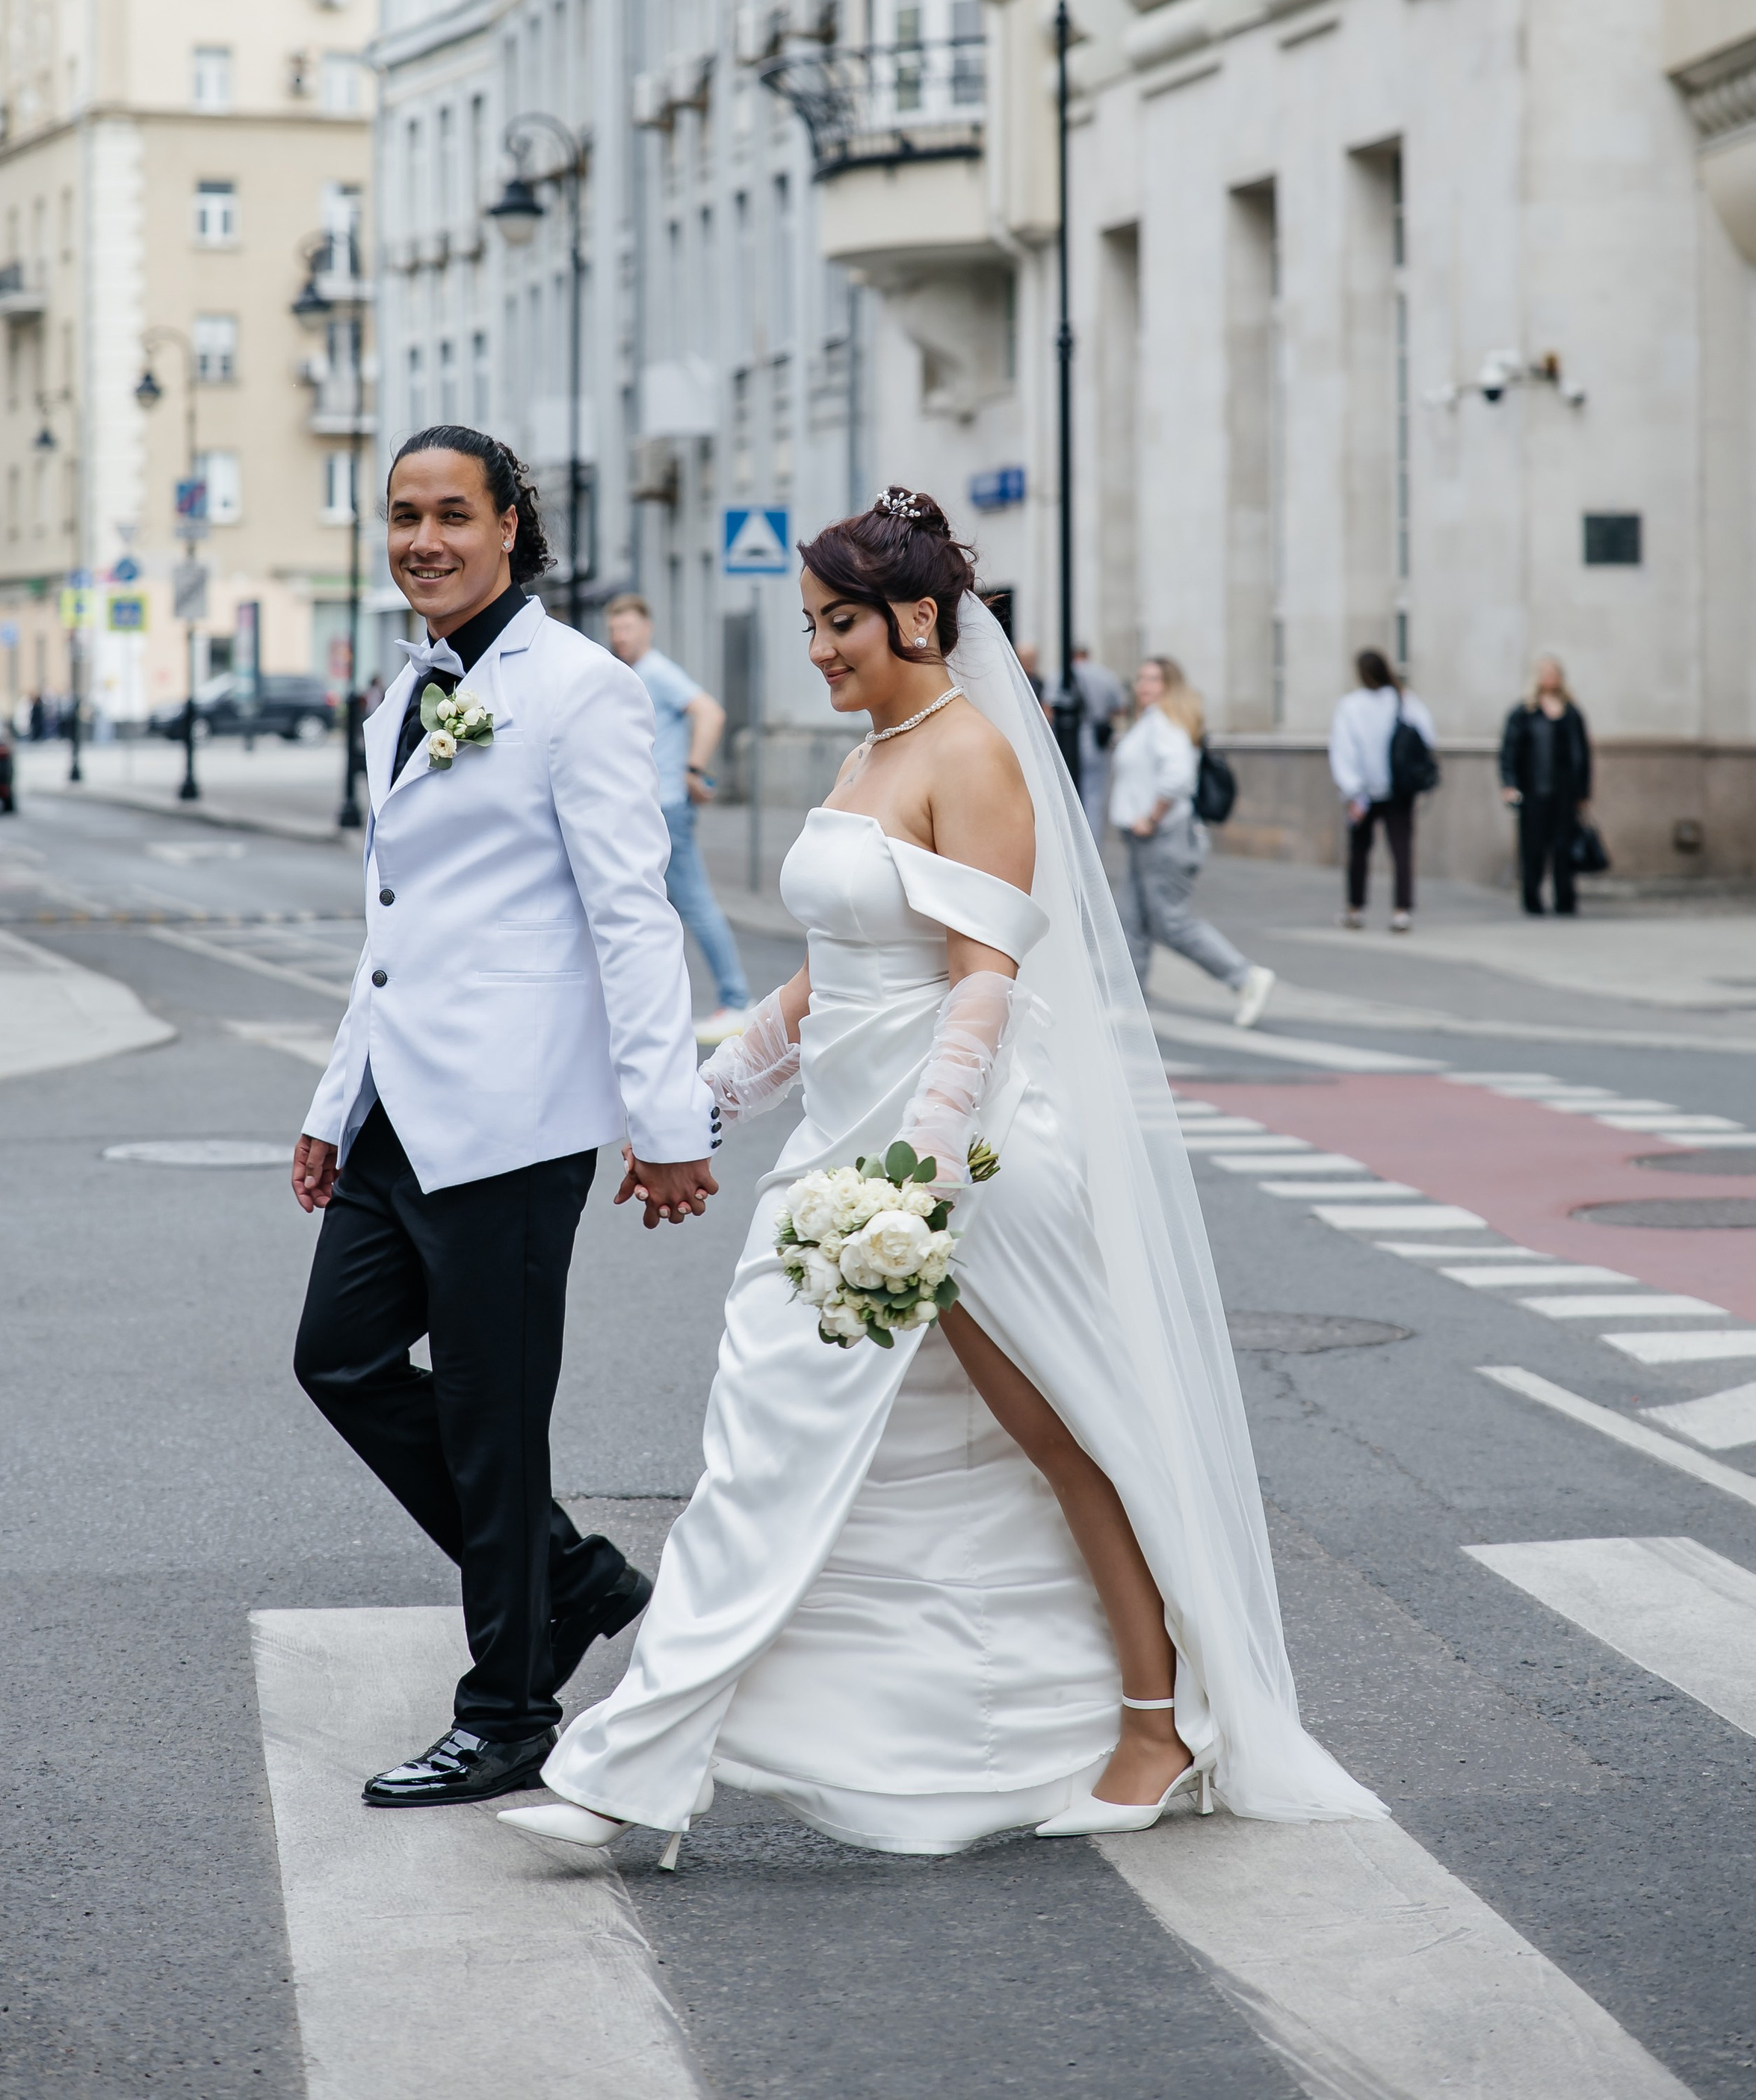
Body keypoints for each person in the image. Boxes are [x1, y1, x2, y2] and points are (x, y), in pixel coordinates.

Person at [502, 487, 1380, 1859]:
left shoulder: (970, 754)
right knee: (769, 1456)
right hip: (838, 1170)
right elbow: (835, 973)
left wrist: (924, 1167)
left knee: (1060, 1440)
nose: (820, 648)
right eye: (807, 625)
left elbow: (984, 978)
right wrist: (713, 1093)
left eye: (839, 621)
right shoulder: (870, 757)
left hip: (955, 1169)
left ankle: (1156, 1726)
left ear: (919, 614)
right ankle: (643, 1760)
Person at [288, 430, 720, 1813]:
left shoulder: (582, 693)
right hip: (397, 1109)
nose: (423, 540)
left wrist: (668, 1122)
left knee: (492, 1416)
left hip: (516, 1120)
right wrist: (331, 1101)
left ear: (513, 524)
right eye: (404, 516)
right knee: (340, 1359)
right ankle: (574, 1578)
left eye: (452, 516)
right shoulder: (408, 689)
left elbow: (631, 917)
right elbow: (394, 926)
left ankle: (510, 1710)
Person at [604, 593, 751, 1043]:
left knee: (694, 904)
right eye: (614, 629)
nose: (620, 637)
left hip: (667, 807)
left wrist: (694, 769)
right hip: (650, 808)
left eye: (627, 628)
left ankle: (737, 1001)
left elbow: (710, 712)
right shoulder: (633, 673)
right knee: (646, 908)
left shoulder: (658, 671)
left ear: (646, 629)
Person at [1107, 658, 1274, 1032]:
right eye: (1141, 677)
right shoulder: (1152, 721)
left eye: (1154, 678)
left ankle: (1245, 977)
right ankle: (1128, 1006)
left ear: (1171, 685)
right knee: (1132, 921)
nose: (1144, 685)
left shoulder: (1165, 722)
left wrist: (1151, 817)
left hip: (1164, 837)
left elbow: (1178, 777)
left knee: (1171, 923)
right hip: (1145, 838)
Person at [1329, 649, 1438, 933]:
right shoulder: (1404, 700)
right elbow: (1426, 737)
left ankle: (1355, 909)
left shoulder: (1351, 706)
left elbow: (1343, 749)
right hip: (1398, 789)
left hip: (1365, 792)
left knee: (1359, 852)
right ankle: (1401, 911)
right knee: (1401, 850)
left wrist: (1351, 790)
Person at [1499, 657, 1592, 916]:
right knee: (1533, 848)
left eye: (1554, 673)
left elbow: (1582, 755)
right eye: (1545, 673)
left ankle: (1566, 899)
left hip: (1564, 793)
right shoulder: (1524, 712)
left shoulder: (1571, 712)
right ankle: (1532, 899)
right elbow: (1509, 751)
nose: (1550, 678)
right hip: (1533, 791)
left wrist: (1583, 792)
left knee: (1564, 847)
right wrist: (1509, 783)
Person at [1049, 645, 1125, 828]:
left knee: (1065, 795)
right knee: (1095, 798)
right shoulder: (1106, 675)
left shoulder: (1059, 676)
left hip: (1065, 741)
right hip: (1096, 741)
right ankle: (1092, 847)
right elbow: (1120, 708)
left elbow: (1048, 708)